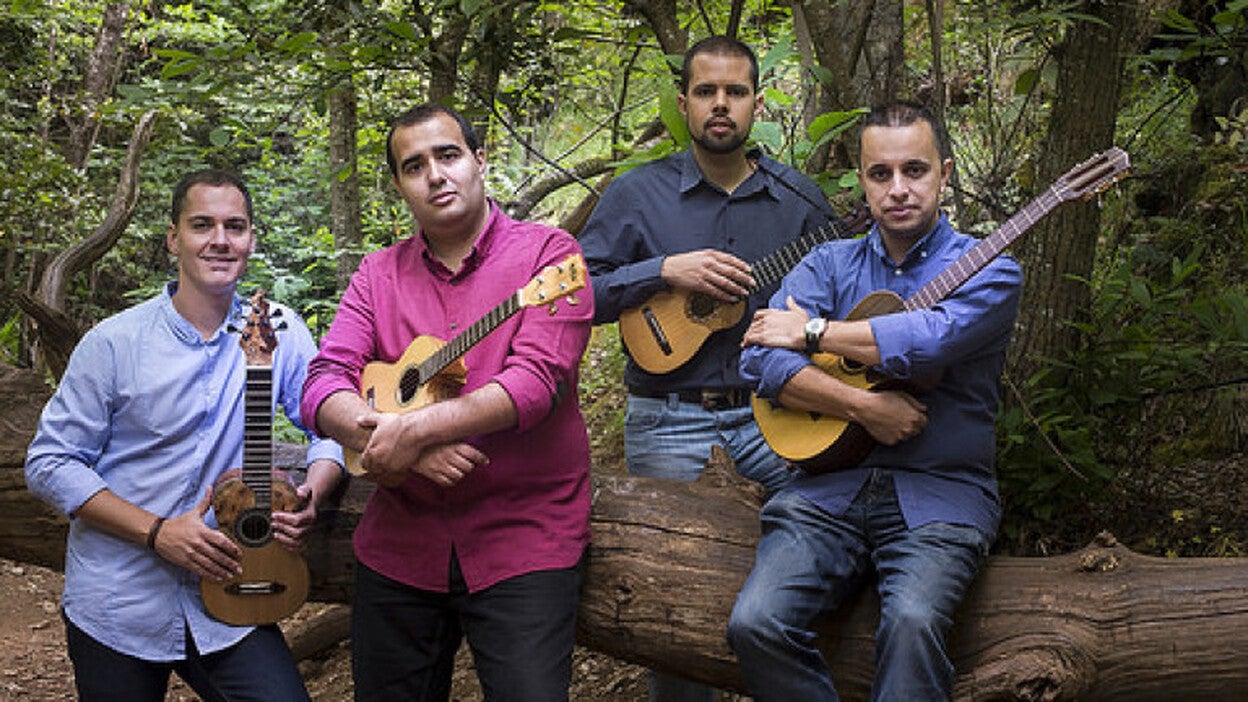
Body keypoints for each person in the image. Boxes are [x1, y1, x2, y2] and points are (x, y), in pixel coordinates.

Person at [725, 100, 1023, 700]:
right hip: (825, 490)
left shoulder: (991, 270)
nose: (898, 189)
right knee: (755, 624)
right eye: (881, 174)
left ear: (944, 172)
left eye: (915, 170)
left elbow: (928, 340)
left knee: (912, 623)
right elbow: (759, 359)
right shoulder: (828, 263)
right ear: (862, 180)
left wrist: (813, 333)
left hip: (940, 493)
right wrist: (860, 407)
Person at [300, 103, 594, 701]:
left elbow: (535, 382)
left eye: (448, 155)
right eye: (414, 166)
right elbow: (323, 382)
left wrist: (417, 431)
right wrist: (395, 442)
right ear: (400, 186)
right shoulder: (376, 275)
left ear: (479, 161)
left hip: (523, 536)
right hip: (401, 541)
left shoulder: (551, 256)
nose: (435, 175)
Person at [577, 34, 834, 701]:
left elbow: (840, 302)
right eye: (706, 91)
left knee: (815, 568)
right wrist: (663, 269)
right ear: (684, 102)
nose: (721, 104)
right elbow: (576, 296)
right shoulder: (637, 194)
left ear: (756, 104)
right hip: (668, 421)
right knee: (667, 608)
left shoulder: (803, 203)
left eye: (735, 92)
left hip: (780, 416)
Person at [24, 169, 346, 701]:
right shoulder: (113, 344)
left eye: (234, 226)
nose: (220, 240)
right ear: (174, 238)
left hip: (233, 593)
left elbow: (327, 424)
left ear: (251, 239)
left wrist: (314, 490)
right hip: (118, 600)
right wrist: (158, 533)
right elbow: (50, 463)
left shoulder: (279, 330)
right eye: (202, 225)